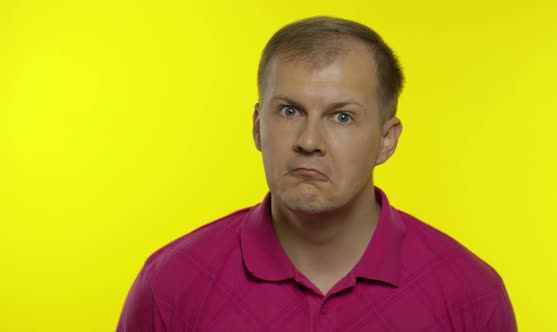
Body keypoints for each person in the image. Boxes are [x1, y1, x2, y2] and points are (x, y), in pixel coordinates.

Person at [116, 16, 517, 331]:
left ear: (386, 140)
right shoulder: (170, 283)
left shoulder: (470, 294)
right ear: (258, 126)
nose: (309, 141)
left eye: (341, 117)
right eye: (289, 111)